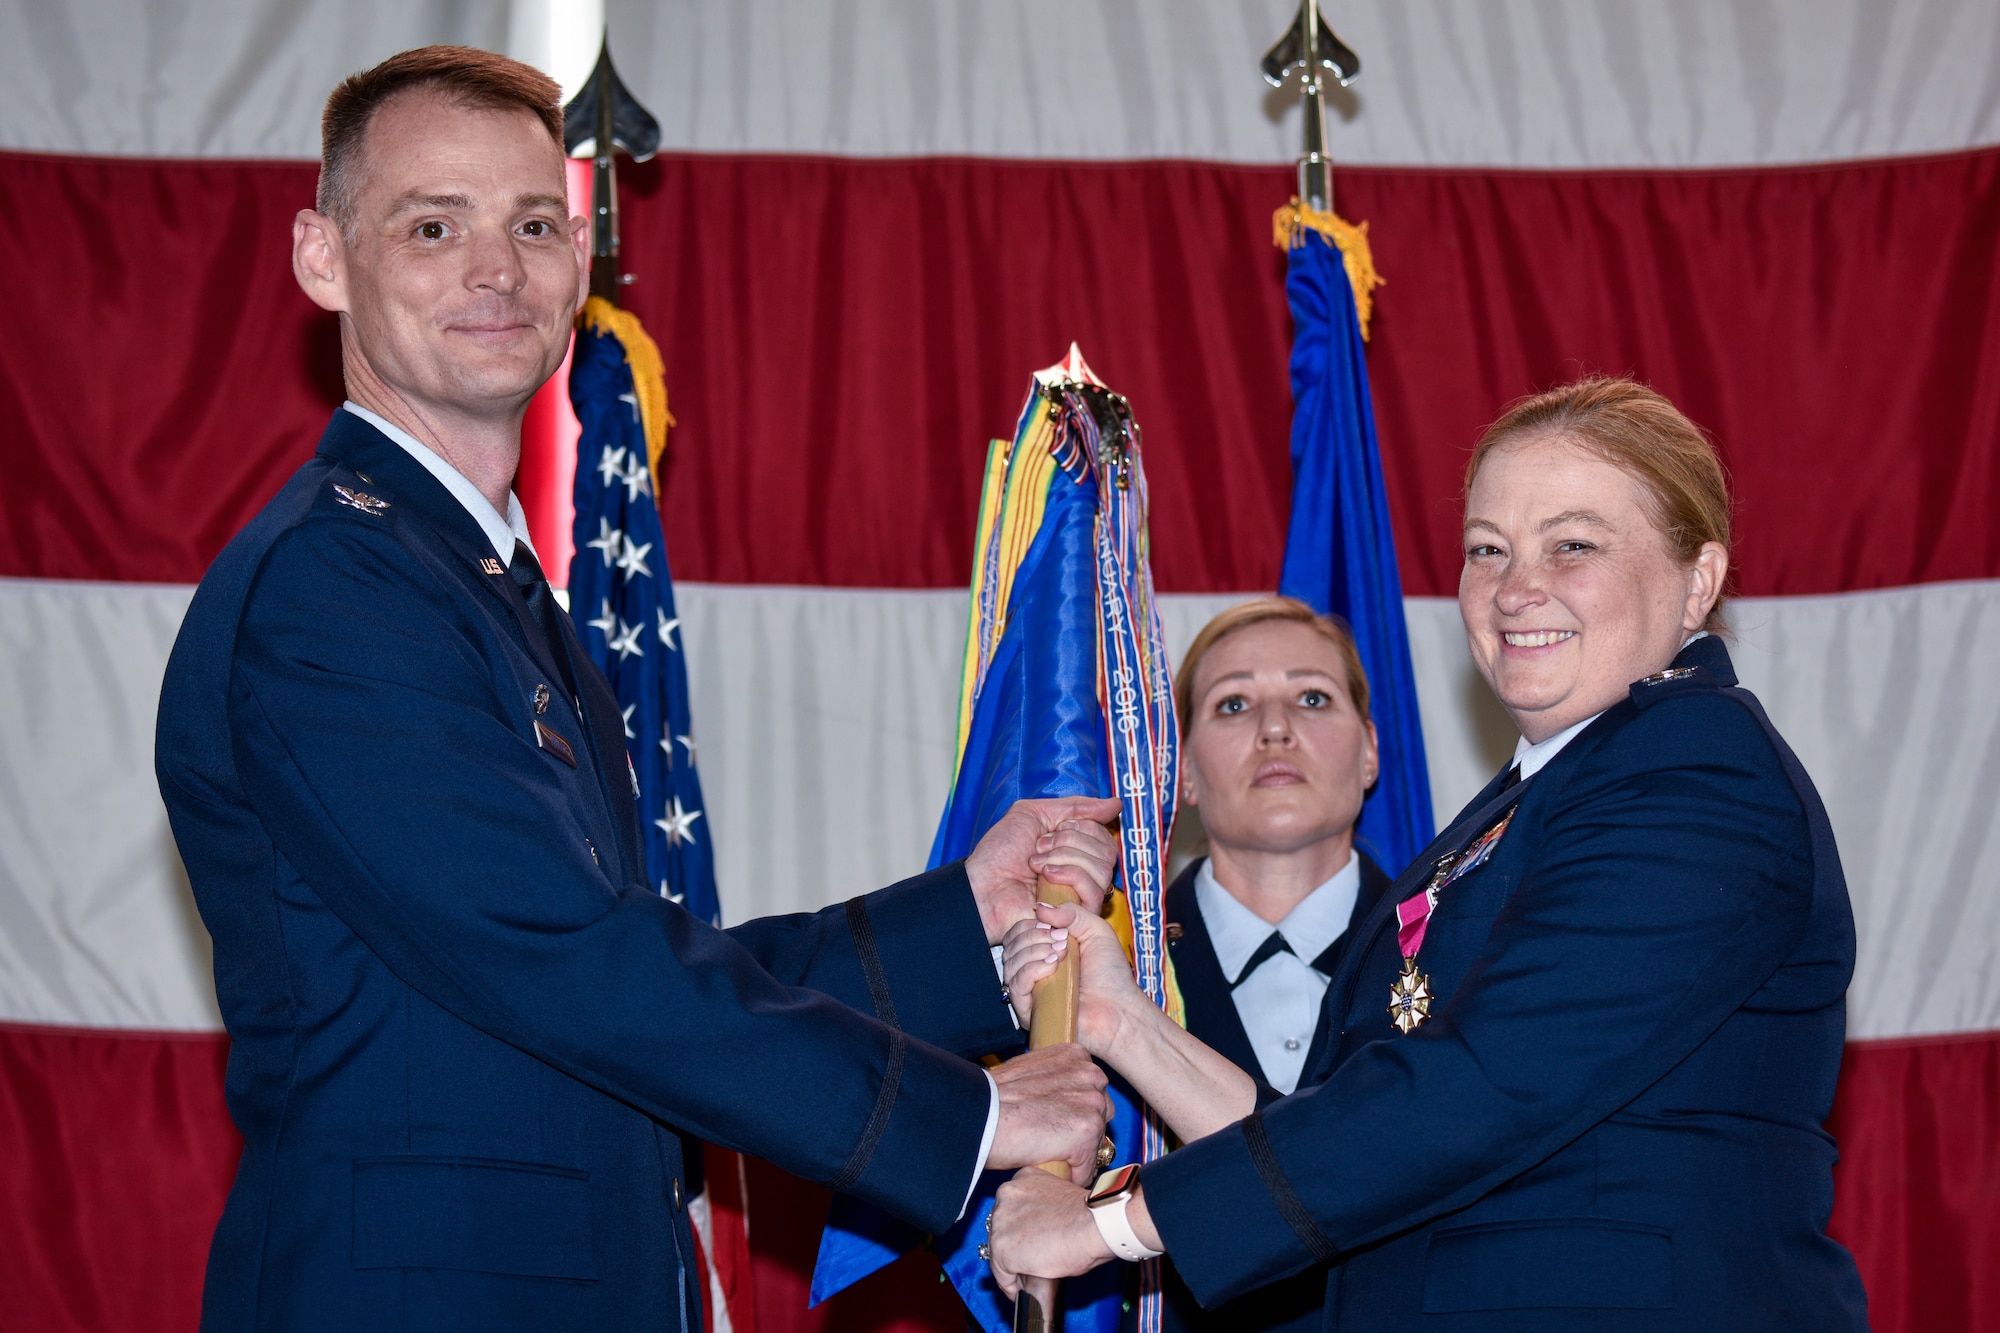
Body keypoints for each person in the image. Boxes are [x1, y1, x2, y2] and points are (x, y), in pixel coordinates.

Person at [155, 48, 1116, 1332]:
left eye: (534, 223)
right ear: (321, 257)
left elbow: (599, 959)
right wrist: (977, 1116)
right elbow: (574, 963)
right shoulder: (335, 583)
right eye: (432, 225)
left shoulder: (475, 582)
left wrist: (963, 926)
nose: (495, 267)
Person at [990, 377, 1870, 1330]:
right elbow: (1349, 1134)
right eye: (1487, 548)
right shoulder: (1526, 804)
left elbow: (1483, 1086)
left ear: (1697, 577)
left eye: (1572, 545)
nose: (1515, 587)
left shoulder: (1696, 764)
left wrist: (1105, 1225)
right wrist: (1127, 1024)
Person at [1002, 597, 1391, 1332]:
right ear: (1178, 769)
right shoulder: (1085, 968)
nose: (1275, 728)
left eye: (1312, 696)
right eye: (1233, 703)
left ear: (1370, 749)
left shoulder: (1470, 956)